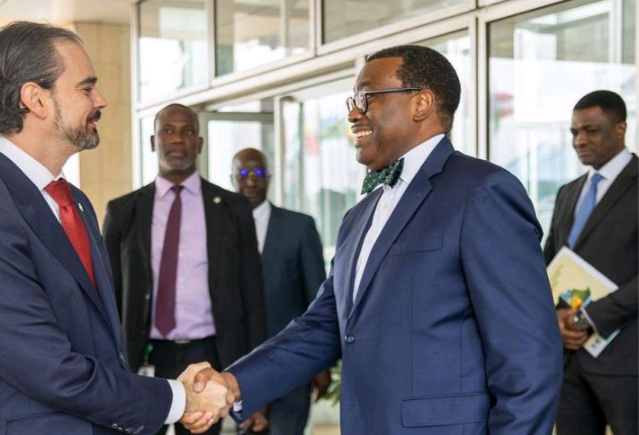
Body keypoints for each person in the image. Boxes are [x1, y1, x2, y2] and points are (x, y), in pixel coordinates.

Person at [188, 44, 564, 435]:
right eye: (353, 101)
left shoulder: (482, 192)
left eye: (367, 97)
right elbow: (323, 326)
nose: (353, 113)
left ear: (421, 104)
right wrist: (233, 383)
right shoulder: (358, 216)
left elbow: (529, 355)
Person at [0, 21, 230, 435]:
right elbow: (49, 370)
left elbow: (98, 345)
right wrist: (177, 399)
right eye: (86, 88)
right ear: (36, 99)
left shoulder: (74, 201)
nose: (101, 100)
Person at [103, 104, 267, 435]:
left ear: (200, 143)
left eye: (187, 131)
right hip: (143, 356)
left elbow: (253, 297)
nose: (177, 139)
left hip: (208, 356)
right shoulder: (123, 211)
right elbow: (107, 295)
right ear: (153, 141)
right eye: (168, 131)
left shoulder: (233, 208)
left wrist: (256, 384)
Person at [544, 90, 637, 435]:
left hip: (628, 359)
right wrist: (554, 317)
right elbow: (549, 262)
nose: (579, 140)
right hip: (570, 360)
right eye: (574, 132)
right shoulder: (568, 192)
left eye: (590, 130)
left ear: (620, 128)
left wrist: (589, 318)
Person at [231, 148, 331, 434]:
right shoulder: (220, 230)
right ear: (232, 179)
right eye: (244, 173)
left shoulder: (299, 227)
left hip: (292, 365)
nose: (252, 180)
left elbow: (318, 297)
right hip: (240, 370)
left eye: (259, 173)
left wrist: (321, 363)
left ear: (270, 178)